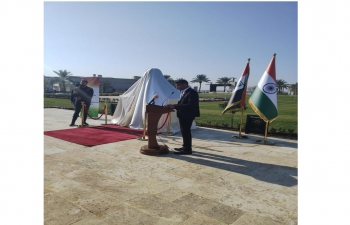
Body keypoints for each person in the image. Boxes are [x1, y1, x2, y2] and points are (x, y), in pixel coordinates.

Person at [164, 79, 200, 155]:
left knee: (186, 132)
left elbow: (190, 105)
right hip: (183, 115)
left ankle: (187, 150)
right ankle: (185, 147)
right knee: (184, 132)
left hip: (188, 115)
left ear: (185, 84)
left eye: (179, 85)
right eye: (177, 85)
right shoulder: (183, 92)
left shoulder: (192, 93)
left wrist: (174, 106)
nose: (177, 87)